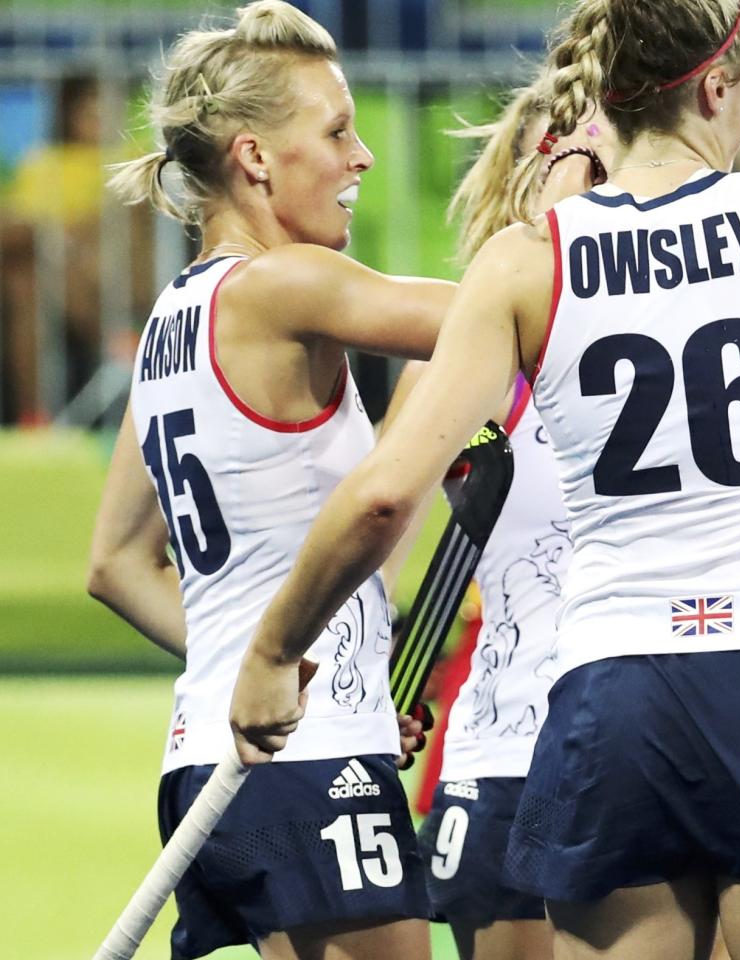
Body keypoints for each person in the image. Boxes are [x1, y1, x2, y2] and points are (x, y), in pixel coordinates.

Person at [227, 2, 740, 958]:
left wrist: (273, 651)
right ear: (717, 86)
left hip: (621, 683)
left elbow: (385, 493)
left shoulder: (525, 264)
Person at [88, 3, 457, 956]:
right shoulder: (288, 284)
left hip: (210, 754)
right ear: (254, 157)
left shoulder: (171, 321)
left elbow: (116, 564)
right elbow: (503, 316)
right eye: (337, 132)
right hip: (305, 763)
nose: (361, 157)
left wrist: (283, 669)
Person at [399, 79, 608, 960]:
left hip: (672, 741)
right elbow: (382, 527)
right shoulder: (464, 355)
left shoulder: (701, 327)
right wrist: (379, 687)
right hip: (513, 756)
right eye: (562, 154)